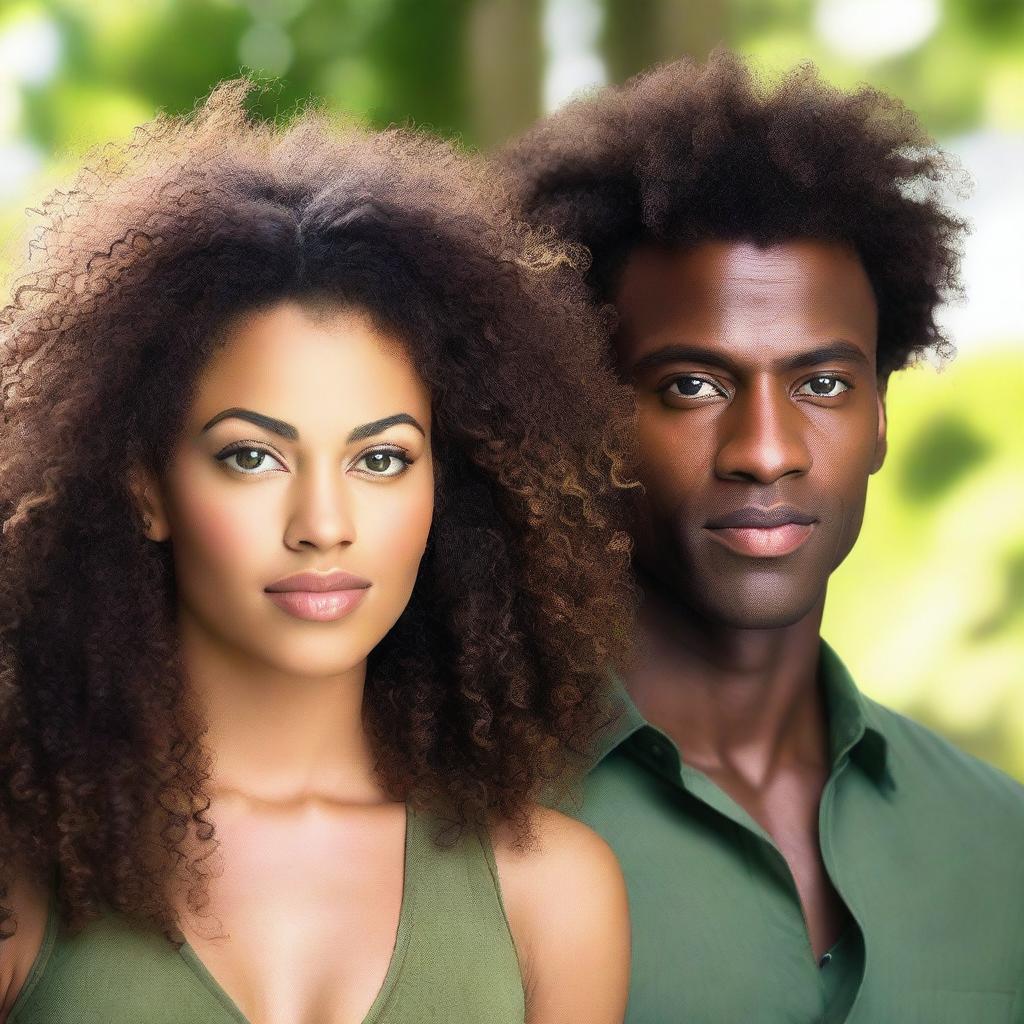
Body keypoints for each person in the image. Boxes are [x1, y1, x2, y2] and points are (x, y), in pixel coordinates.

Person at [0, 82, 633, 1024]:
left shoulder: (550, 895)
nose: (324, 523)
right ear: (144, 485)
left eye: (381, 458)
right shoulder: (21, 878)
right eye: (252, 456)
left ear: (439, 493)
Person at [503, 51, 1024, 1023]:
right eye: (691, 386)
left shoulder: (1001, 843)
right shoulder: (457, 831)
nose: (765, 451)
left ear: (878, 416)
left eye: (821, 384)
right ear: (586, 417)